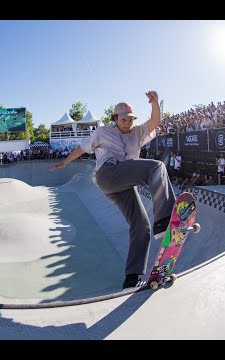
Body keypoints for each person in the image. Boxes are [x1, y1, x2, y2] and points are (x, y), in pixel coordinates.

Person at [50, 91, 176, 290]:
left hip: (121, 185)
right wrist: (64, 162)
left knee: (141, 225)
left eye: (131, 120)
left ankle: (132, 279)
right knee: (156, 167)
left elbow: (155, 121)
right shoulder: (102, 132)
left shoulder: (138, 132)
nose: (128, 124)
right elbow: (81, 149)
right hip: (107, 175)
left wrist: (154, 103)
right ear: (115, 118)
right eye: (124, 120)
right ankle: (163, 220)